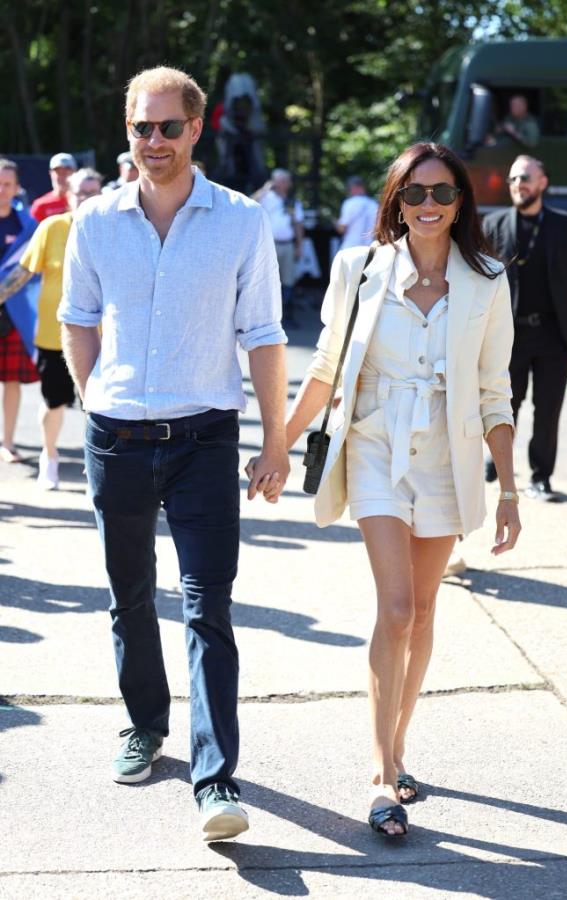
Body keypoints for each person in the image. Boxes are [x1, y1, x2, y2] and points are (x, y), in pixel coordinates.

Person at [58, 65, 289, 843]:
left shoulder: (240, 219)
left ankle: (215, 776)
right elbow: (76, 316)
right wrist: (92, 396)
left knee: (208, 607)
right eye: (139, 128)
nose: (152, 141)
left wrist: (276, 440)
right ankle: (145, 725)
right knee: (129, 599)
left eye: (166, 127)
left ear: (196, 129)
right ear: (127, 132)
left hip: (204, 437)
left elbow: (262, 333)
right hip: (115, 436)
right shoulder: (94, 220)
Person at [273, 142, 520, 838]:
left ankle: (399, 742)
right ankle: (381, 773)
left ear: (461, 201)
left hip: (449, 451)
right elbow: (324, 367)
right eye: (414, 194)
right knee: (398, 606)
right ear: (395, 201)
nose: (428, 206)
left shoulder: (488, 277)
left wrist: (510, 492)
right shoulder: (359, 269)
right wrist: (279, 447)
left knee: (425, 607)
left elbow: (495, 392)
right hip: (377, 443)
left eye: (441, 193)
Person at [483, 155, 567, 500]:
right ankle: (496, 462)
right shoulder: (494, 225)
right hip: (509, 336)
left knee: (547, 410)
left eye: (526, 178)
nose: (519, 184)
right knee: (504, 405)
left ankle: (540, 477)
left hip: (554, 336)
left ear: (543, 183)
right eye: (514, 179)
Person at [0, 168, 103, 488]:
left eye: (92, 191)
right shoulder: (51, 228)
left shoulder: (115, 229)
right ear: (67, 196)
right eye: (79, 192)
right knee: (54, 400)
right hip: (55, 334)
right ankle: (50, 456)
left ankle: (100, 464)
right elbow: (22, 273)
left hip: (106, 336)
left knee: (100, 405)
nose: (85, 197)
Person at [0, 159, 39, 463]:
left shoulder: (27, 225)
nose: (2, 190)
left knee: (11, 382)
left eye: (7, 184)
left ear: (16, 188)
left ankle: (8, 442)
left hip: (13, 314)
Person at [253, 169, 304, 327]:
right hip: (270, 244)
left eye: (286, 181)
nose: (284, 184)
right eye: (281, 181)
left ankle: (286, 317)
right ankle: (266, 319)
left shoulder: (293, 201)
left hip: (287, 244)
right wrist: (265, 188)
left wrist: (299, 246)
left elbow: (298, 224)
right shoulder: (266, 197)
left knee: (288, 280)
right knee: (267, 281)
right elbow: (249, 202)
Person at [30, 153, 77, 222]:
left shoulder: (83, 201)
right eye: (58, 172)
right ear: (51, 173)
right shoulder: (41, 205)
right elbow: (32, 231)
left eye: (66, 172)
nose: (62, 177)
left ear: (75, 172)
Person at [335, 176, 378, 251]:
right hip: (370, 248)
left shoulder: (349, 203)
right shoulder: (373, 204)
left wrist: (336, 223)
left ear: (353, 188)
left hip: (350, 248)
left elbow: (342, 229)